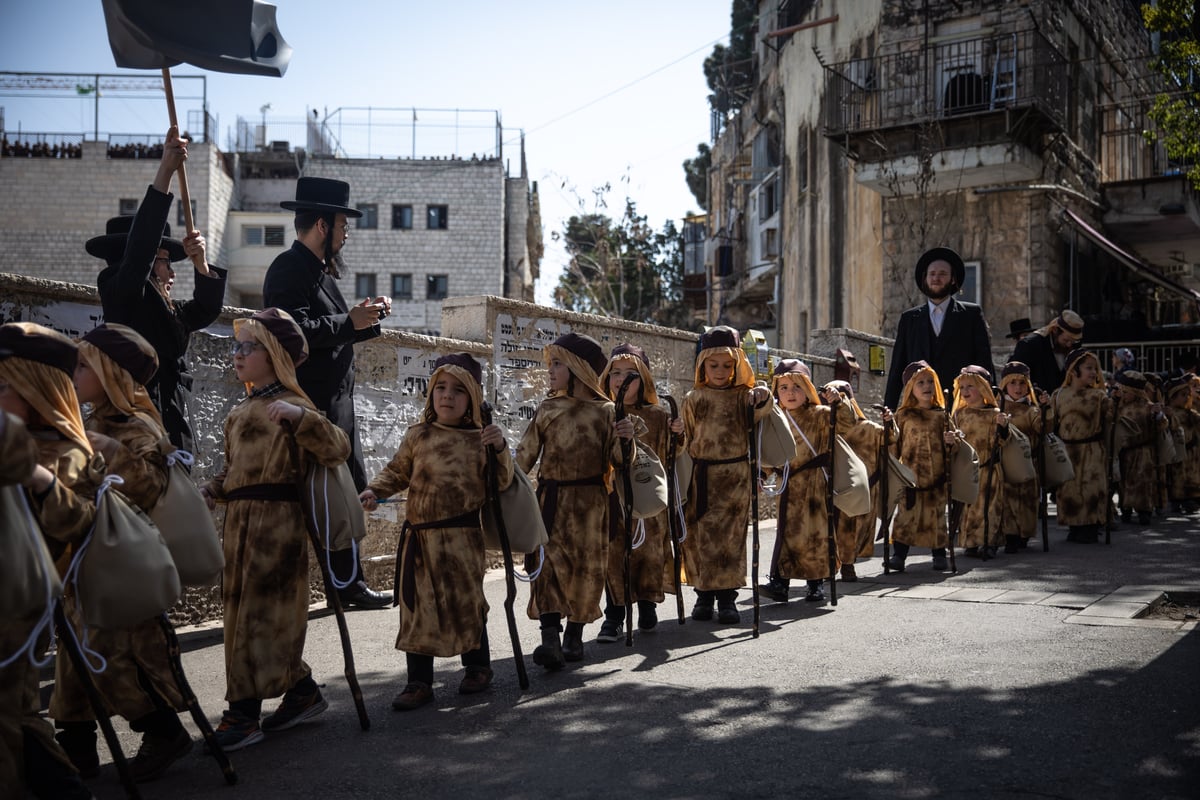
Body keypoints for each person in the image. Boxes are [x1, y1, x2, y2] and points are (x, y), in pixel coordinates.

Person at [199, 309, 351, 751]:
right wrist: (214, 489)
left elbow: (337, 448)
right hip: (240, 527)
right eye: (237, 345)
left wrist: (303, 419)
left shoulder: (294, 405)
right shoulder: (238, 412)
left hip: (278, 528)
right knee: (241, 616)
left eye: (250, 346)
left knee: (262, 619)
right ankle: (301, 691)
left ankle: (242, 715)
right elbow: (233, 473)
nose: (238, 353)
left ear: (276, 356)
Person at [52, 324, 192, 783]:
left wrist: (113, 453)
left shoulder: (135, 427)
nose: (73, 373)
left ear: (111, 372)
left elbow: (152, 488)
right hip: (80, 558)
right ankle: (74, 746)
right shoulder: (86, 421)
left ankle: (164, 730)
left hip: (121, 560)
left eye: (82, 364)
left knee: (119, 656)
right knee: (73, 657)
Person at [262, 177, 392, 610]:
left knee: (348, 495)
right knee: (317, 500)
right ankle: (328, 584)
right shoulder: (288, 268)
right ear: (322, 225)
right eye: (343, 224)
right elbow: (291, 332)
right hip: (311, 408)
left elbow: (337, 330)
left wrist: (368, 318)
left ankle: (347, 582)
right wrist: (347, 322)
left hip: (338, 410)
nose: (347, 233)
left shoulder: (320, 272)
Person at [359, 354, 511, 710]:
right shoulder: (418, 435)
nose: (447, 396)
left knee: (466, 604)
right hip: (420, 539)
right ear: (430, 394)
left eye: (458, 390)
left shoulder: (481, 439)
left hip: (462, 540)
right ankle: (418, 681)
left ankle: (477, 667)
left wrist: (500, 448)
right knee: (418, 607)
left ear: (473, 398)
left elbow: (501, 481)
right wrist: (375, 491)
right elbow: (397, 471)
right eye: (440, 388)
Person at [0, 323, 104, 800]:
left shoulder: (67, 453)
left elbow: (80, 522)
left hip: (20, 597)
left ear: (36, 387)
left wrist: (40, 479)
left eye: (4, 385)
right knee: (18, 713)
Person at [91, 125, 227, 453]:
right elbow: (138, 254)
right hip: (136, 433)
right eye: (165, 261)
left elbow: (203, 311)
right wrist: (165, 170)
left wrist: (202, 266)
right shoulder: (121, 292)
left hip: (172, 428)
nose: (171, 272)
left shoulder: (165, 311)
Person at [515, 333, 633, 669]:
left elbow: (620, 461)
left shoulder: (607, 412)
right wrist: (499, 479)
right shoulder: (548, 409)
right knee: (547, 569)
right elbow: (523, 458)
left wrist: (626, 441)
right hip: (550, 503)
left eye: (557, 364)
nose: (550, 370)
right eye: (550, 364)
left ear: (579, 368)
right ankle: (549, 638)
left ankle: (574, 636)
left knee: (586, 570)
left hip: (592, 505)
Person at [681, 326, 773, 622]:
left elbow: (763, 412)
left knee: (732, 538)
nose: (720, 371)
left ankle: (728, 598)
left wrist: (764, 393)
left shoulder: (744, 396)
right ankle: (703, 596)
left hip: (735, 477)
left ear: (737, 365)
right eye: (713, 365)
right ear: (702, 364)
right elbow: (684, 440)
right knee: (701, 537)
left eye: (727, 365)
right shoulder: (694, 397)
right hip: (702, 476)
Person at [596, 344, 681, 642]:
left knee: (650, 554)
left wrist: (677, 434)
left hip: (648, 496)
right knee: (615, 556)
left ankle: (647, 605)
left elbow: (671, 455)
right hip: (612, 500)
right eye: (616, 373)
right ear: (606, 378)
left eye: (630, 374)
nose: (622, 380)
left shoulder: (657, 415)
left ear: (643, 379)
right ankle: (615, 615)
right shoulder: (602, 413)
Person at [759, 360, 847, 603]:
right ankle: (780, 582)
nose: (790, 393)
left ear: (807, 389)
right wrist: (763, 474)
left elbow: (846, 424)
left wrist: (839, 403)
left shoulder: (821, 414)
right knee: (786, 533)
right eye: (784, 387)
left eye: (796, 387)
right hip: (788, 485)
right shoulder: (774, 418)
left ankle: (815, 583)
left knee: (816, 533)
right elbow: (768, 452)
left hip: (815, 484)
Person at [883, 247, 994, 410]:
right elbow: (897, 368)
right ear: (925, 279)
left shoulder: (971, 315)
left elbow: (984, 363)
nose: (936, 278)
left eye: (942, 274)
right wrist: (889, 410)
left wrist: (992, 406)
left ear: (953, 279)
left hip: (961, 408)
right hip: (921, 412)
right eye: (932, 274)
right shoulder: (909, 319)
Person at [887, 360, 955, 573]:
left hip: (936, 479)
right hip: (910, 479)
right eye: (920, 383)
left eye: (930, 382)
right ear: (910, 389)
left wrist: (952, 441)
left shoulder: (942, 416)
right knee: (906, 518)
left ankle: (939, 554)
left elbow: (954, 448)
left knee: (935, 517)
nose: (927, 386)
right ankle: (898, 555)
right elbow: (893, 445)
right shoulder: (903, 415)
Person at [821, 379, 890, 578]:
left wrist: (889, 422)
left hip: (860, 488)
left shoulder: (868, 428)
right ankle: (831, 565)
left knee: (850, 529)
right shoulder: (823, 426)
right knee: (830, 528)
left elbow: (891, 440)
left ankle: (848, 565)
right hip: (831, 487)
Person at [1046, 350, 1112, 543]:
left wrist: (1115, 402)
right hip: (1067, 450)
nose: (1093, 373)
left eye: (1095, 369)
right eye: (1088, 368)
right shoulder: (1059, 395)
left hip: (1091, 449)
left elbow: (1110, 419)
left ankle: (1091, 526)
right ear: (1074, 371)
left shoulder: (1099, 396)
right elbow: (1052, 422)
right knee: (1070, 489)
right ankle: (1074, 525)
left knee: (1091, 487)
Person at [952, 366, 1010, 558]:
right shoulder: (960, 414)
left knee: (990, 507)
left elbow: (1002, 441)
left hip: (989, 469)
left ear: (983, 388)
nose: (966, 391)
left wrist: (1003, 427)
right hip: (968, 471)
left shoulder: (994, 414)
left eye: (971, 386)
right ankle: (971, 541)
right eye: (962, 387)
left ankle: (989, 541)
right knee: (969, 507)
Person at [997, 362, 1043, 550]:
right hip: (1004, 462)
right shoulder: (997, 407)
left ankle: (1023, 533)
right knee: (1006, 499)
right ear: (1005, 385)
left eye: (1022, 383)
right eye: (1013, 383)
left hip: (1027, 461)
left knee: (1026, 498)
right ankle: (1009, 534)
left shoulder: (1032, 409)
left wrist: (1047, 410)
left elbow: (1043, 428)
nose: (1018, 388)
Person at [1112, 371, 1164, 525]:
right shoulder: (1117, 406)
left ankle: (1144, 510)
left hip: (1143, 451)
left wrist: (1158, 416)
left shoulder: (1148, 407)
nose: (1123, 395)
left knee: (1143, 480)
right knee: (1124, 480)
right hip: (1124, 451)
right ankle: (1125, 508)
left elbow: (1162, 425)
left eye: (1126, 392)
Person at [1009, 310, 1085, 395]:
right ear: (1055, 330)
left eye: (1073, 341)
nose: (1069, 345)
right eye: (1066, 340)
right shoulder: (1030, 346)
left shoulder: (1073, 346)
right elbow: (1017, 380)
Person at [1164, 376, 1198, 514]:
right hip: (1177, 450)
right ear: (1172, 397)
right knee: (1177, 476)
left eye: (1188, 395)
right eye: (1182, 395)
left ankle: (1191, 498)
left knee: (1191, 475)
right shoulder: (1170, 413)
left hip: (1191, 451)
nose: (1186, 398)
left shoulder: (1190, 413)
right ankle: (1176, 499)